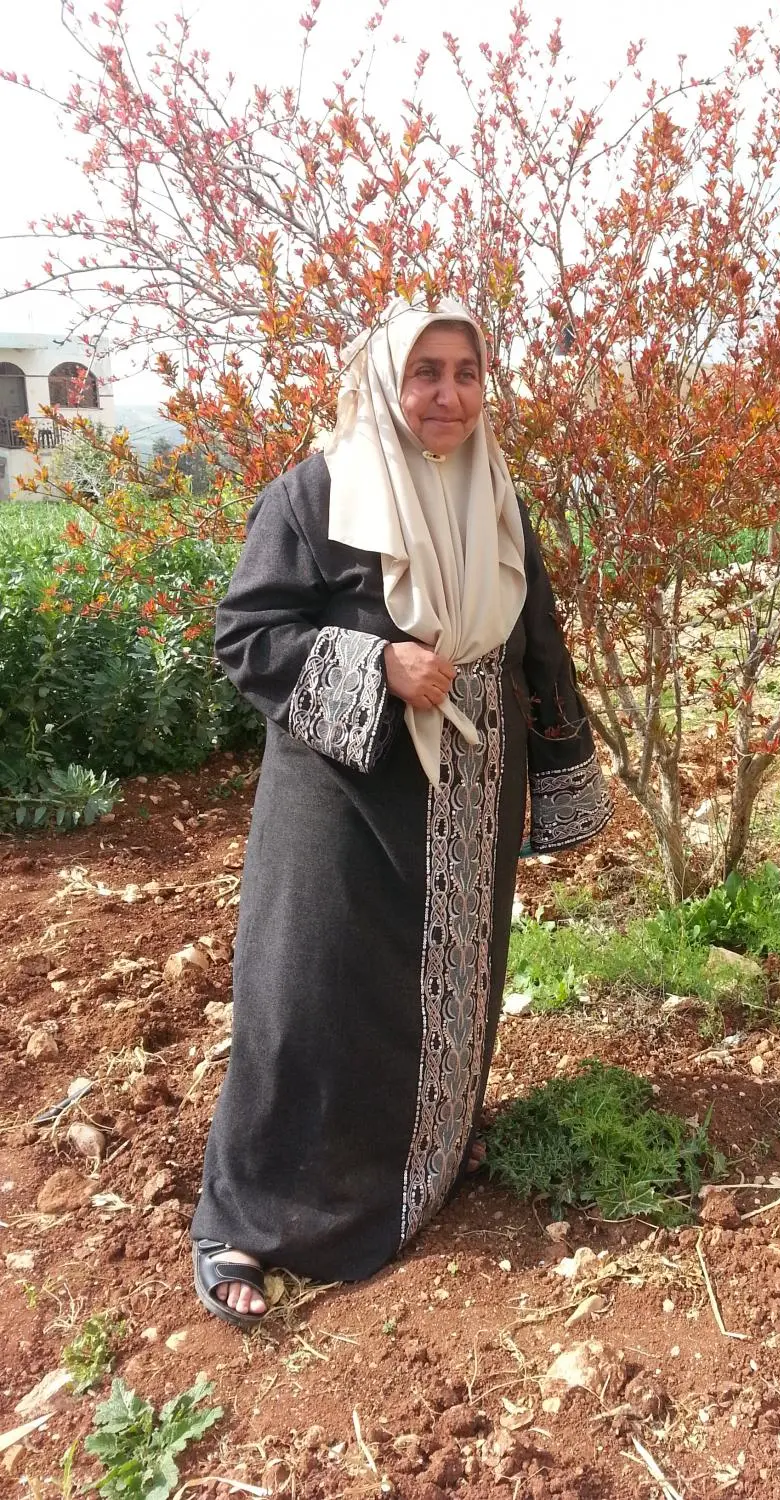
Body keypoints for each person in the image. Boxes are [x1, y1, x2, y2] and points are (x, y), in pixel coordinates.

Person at [190, 299, 611, 1327]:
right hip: (341, 800)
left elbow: (536, 639)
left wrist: (562, 775)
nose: (448, 394)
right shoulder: (315, 493)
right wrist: (379, 663)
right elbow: (249, 634)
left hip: (467, 797)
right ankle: (252, 1221)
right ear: (386, 380)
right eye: (426, 371)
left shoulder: (497, 496)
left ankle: (421, 1165)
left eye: (466, 372)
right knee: (308, 998)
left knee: (444, 991)